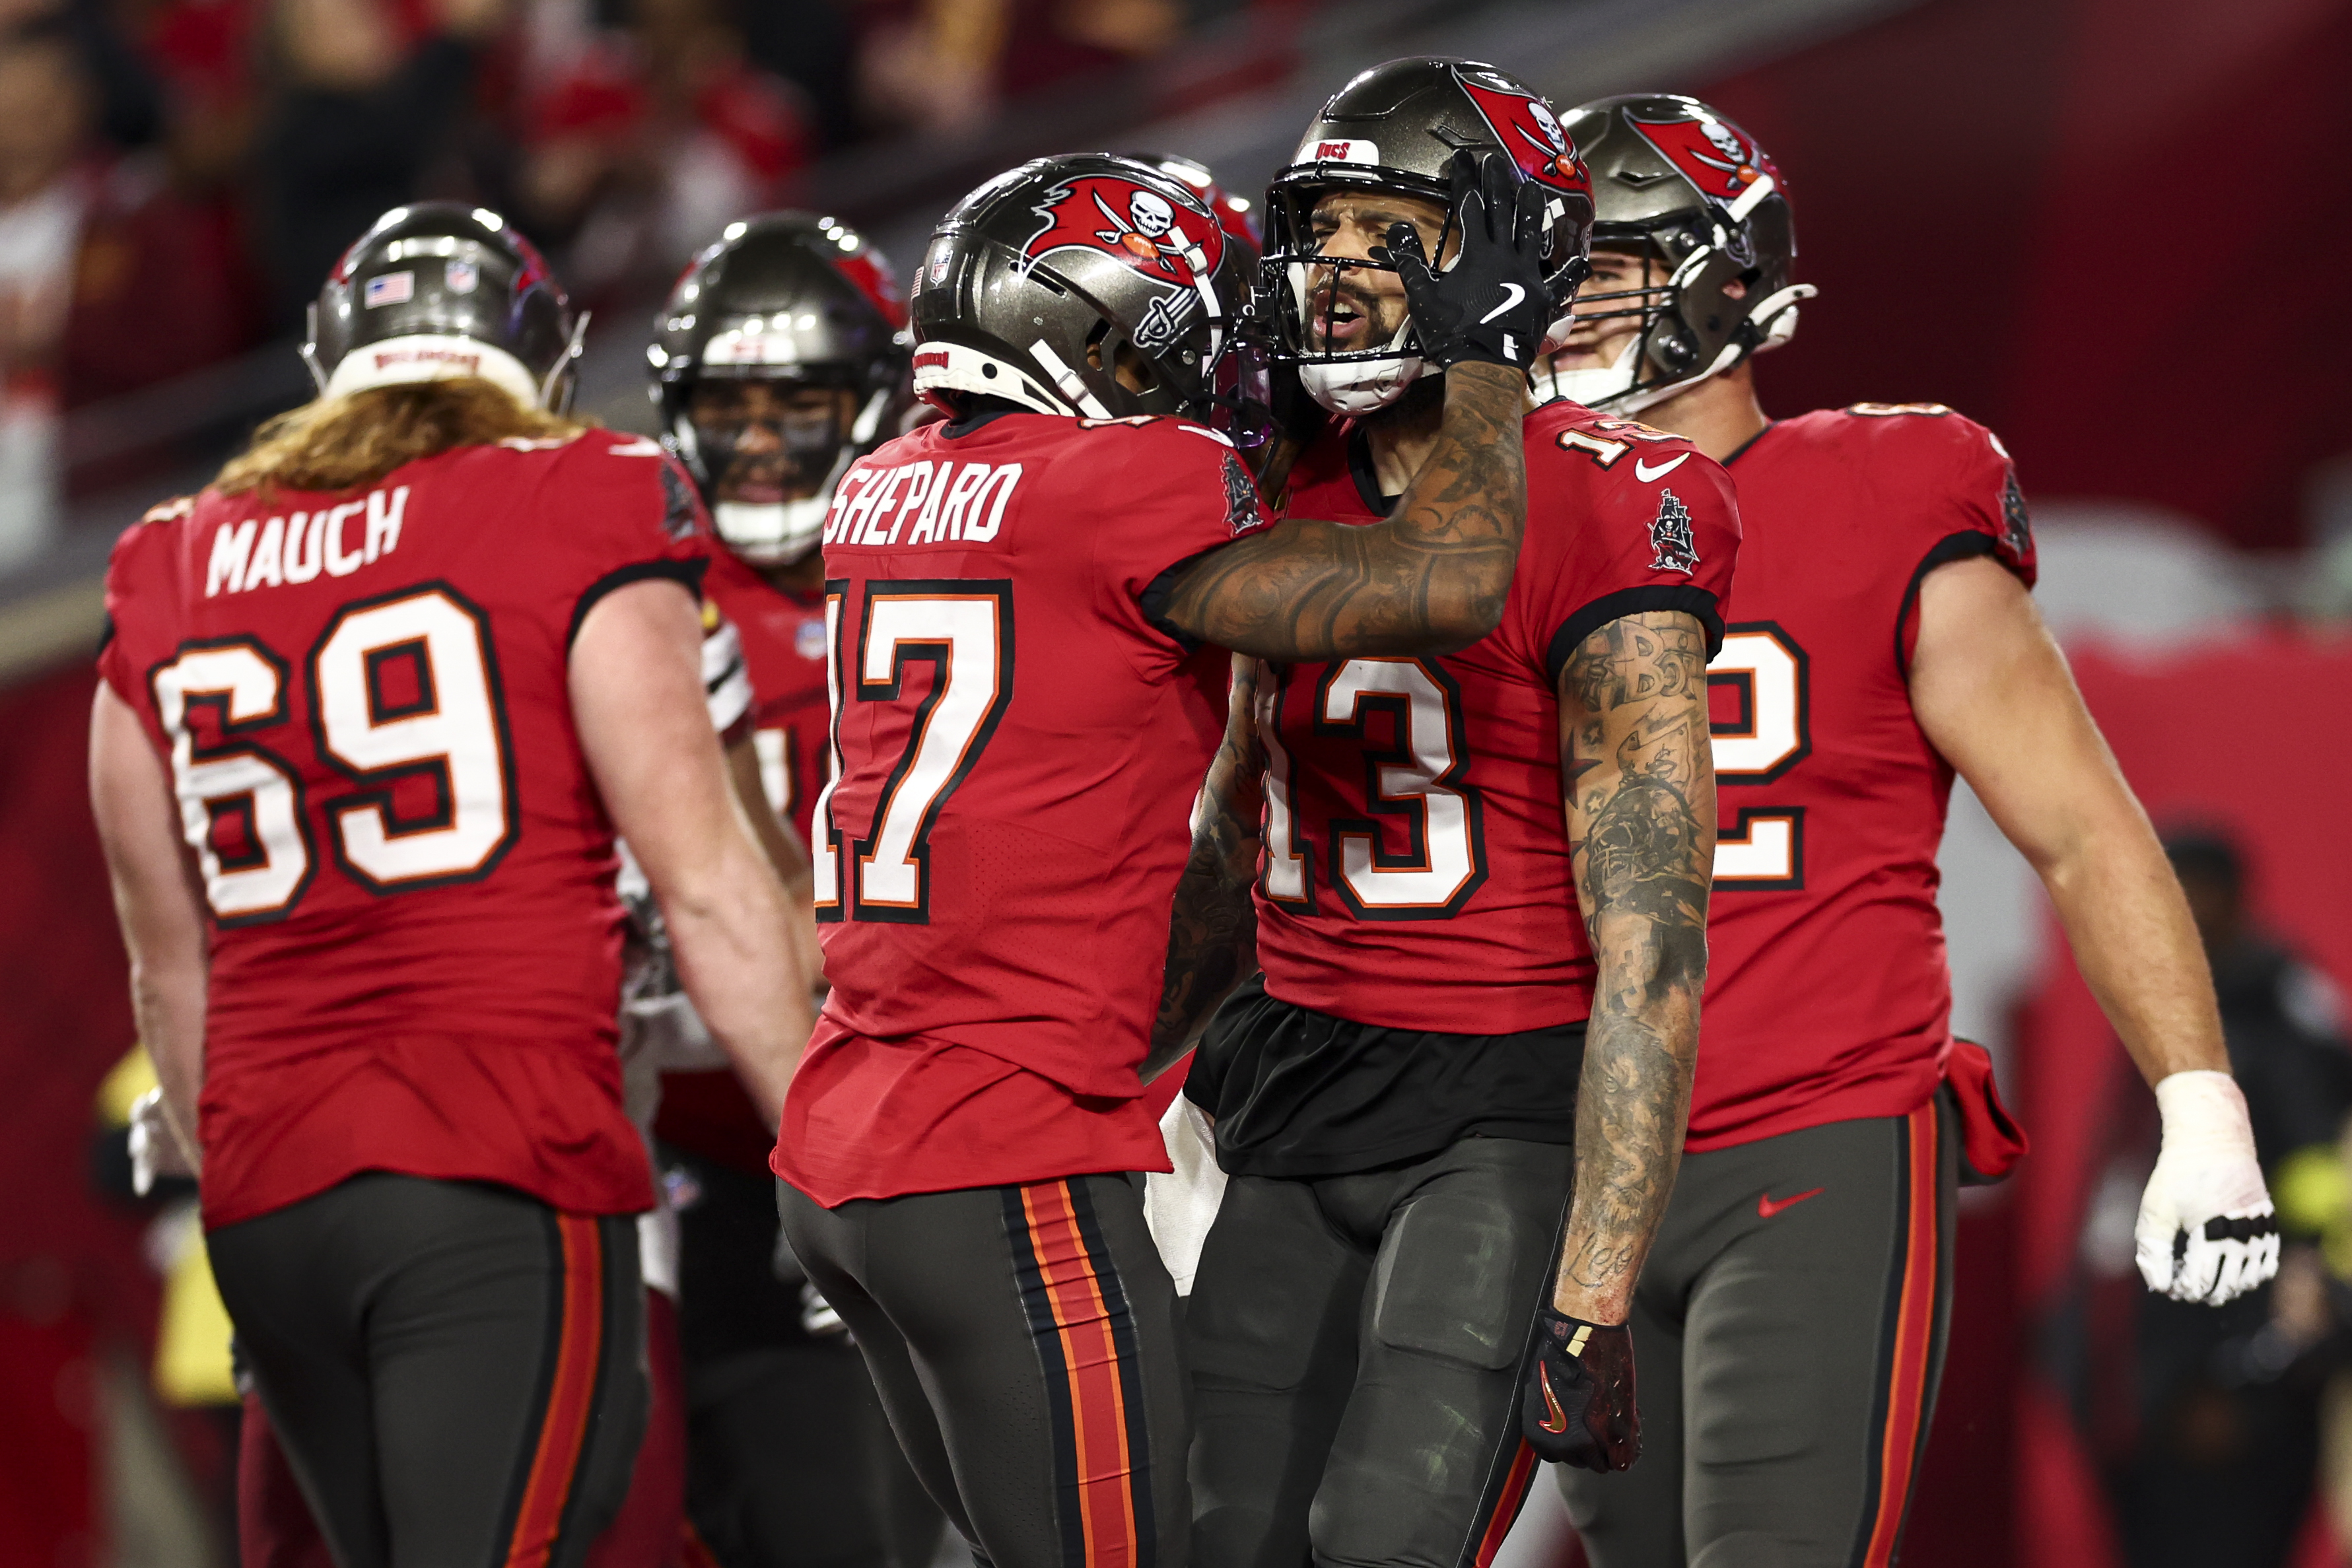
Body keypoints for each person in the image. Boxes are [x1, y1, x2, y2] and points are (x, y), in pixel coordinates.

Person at [771, 147, 1558, 1568]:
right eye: (1197, 325)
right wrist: (1488, 356)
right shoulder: (1127, 483)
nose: (1224, 364)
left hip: (843, 1145)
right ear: (1099, 324)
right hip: (1000, 1157)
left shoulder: (883, 483)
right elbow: (1443, 583)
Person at [1539, 94, 2279, 1568]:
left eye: (1598, 267)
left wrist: (2201, 1103)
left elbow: (2079, 829)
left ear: (1720, 281)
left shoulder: (1879, 494)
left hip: (1805, 1133)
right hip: (1558, 1164)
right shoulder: (1499, 518)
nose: (1559, 306)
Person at [88, 201, 817, 1568]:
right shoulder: (582, 496)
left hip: (268, 1201)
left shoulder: (164, 559)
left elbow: (165, 967)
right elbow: (714, 886)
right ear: (533, 357)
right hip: (500, 1157)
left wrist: (228, 1174)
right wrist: (836, 1170)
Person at [1148, 57, 1738, 1565]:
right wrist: (1107, 1070)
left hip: (1495, 1104)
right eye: (1319, 228)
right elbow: (1230, 814)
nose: (1336, 272)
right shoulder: (1266, 477)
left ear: (1496, 250)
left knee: (1385, 1538)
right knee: (1214, 1538)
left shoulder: (1610, 495)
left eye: (1383, 229)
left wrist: (1596, 1291)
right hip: (1291, 1076)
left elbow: (1654, 935)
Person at [648, 209, 944, 1568]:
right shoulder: (639, 592)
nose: (761, 439)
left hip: (914, 1115)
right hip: (685, 1139)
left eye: (799, 404)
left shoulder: (939, 556)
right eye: (731, 406)